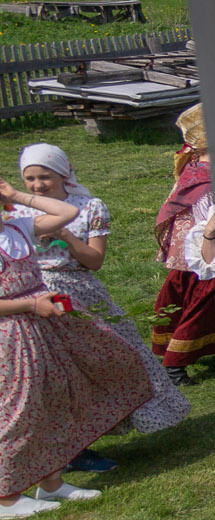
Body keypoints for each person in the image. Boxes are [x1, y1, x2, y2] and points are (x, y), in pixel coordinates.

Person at [13, 145, 189, 453]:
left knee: (115, 355)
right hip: (36, 296)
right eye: (30, 178)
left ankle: (132, 417)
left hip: (79, 290)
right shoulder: (18, 213)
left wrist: (66, 236)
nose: (38, 185)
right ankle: (76, 446)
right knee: (63, 370)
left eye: (45, 176)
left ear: (63, 174)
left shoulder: (89, 206)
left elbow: (94, 261)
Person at [0, 175, 155, 519]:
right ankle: (6, 495)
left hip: (46, 321)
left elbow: (67, 211)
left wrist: (16, 194)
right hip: (10, 332)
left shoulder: (17, 228)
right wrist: (28, 305)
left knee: (57, 394)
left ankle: (51, 481)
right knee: (18, 407)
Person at [152, 105, 215, 383]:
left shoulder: (194, 167)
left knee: (187, 299)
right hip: (205, 254)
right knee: (204, 304)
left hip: (186, 253)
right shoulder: (212, 178)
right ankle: (175, 363)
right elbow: (209, 220)